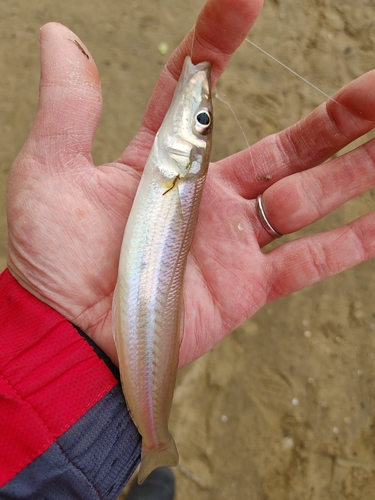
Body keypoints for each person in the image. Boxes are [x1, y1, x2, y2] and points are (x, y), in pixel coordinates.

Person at [1, 0, 375, 498]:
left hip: (54, 440)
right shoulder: (171, 167)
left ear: (191, 152)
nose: (197, 112)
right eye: (203, 116)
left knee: (150, 483)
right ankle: (149, 448)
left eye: (200, 119)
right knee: (151, 485)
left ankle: (152, 445)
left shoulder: (179, 170)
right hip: (65, 445)